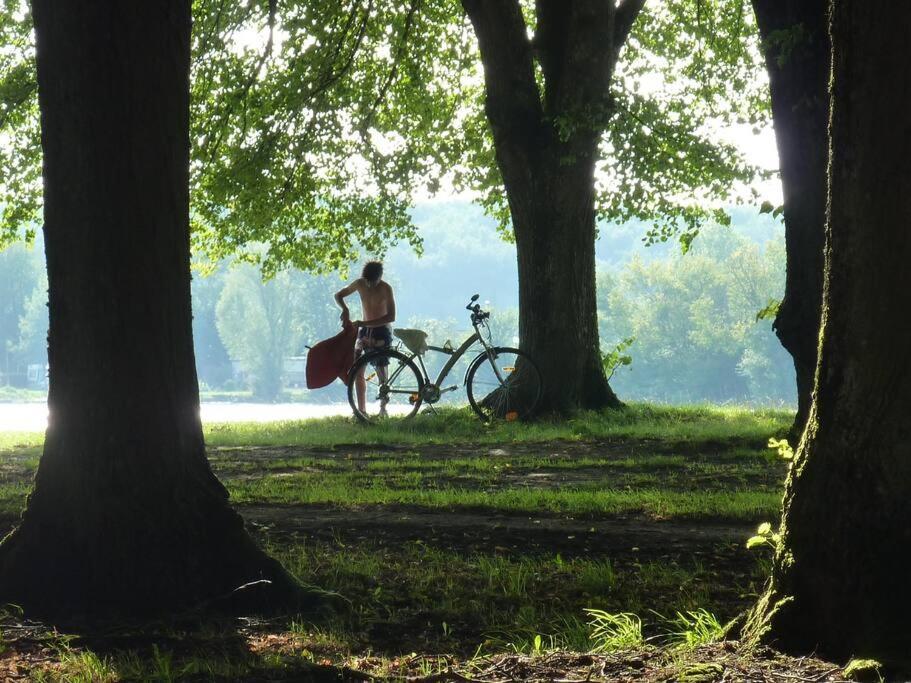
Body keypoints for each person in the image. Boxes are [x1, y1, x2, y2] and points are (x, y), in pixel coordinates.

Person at [334, 261, 396, 415]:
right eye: (367, 281)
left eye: (373, 281)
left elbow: (391, 316)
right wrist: (345, 309)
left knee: (381, 370)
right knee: (357, 371)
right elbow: (338, 295)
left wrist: (364, 323)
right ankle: (361, 410)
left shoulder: (386, 288)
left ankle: (383, 408)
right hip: (363, 333)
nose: (369, 285)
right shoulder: (360, 284)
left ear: (380, 277)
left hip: (381, 332)